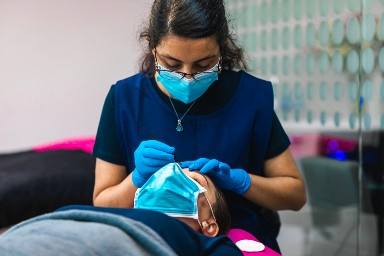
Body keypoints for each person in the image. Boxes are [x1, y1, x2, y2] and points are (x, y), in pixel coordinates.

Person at [92, 0, 306, 253]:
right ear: (153, 47)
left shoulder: (250, 98)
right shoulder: (124, 100)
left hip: (238, 241)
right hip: (151, 240)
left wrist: (241, 181)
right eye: (172, 64)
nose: (188, 76)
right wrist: (136, 178)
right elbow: (102, 203)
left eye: (203, 65)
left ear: (222, 48)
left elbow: (295, 195)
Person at [0, 163, 242, 256]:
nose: (175, 173)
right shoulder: (100, 211)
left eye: (196, 181)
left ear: (209, 225)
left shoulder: (205, 244)